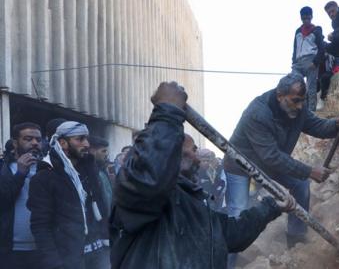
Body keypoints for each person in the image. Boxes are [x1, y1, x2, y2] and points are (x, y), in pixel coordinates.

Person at [110, 81, 296, 269]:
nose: (199, 159)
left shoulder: (192, 201)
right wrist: (167, 113)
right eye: (193, 150)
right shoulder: (140, 195)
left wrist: (271, 206)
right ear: (173, 154)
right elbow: (151, 176)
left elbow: (230, 234)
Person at [223, 73, 339, 249]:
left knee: (300, 185)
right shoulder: (258, 113)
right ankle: (228, 260)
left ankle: (296, 238)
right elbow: (271, 157)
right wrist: (309, 171)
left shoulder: (297, 108)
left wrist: (337, 124)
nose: (300, 106)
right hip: (240, 165)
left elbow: (317, 126)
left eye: (302, 100)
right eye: (295, 101)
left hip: (269, 161)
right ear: (280, 96)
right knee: (238, 212)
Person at [28, 121, 109, 269]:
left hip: (98, 255)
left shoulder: (90, 171)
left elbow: (101, 208)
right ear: (63, 143)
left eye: (87, 139)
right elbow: (40, 226)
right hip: (68, 260)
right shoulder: (45, 177)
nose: (86, 144)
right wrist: (54, 263)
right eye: (79, 139)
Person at [0, 123, 42, 269]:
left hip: (42, 249)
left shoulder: (48, 168)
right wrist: (20, 174)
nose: (35, 143)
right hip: (10, 250)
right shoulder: (3, 168)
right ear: (14, 143)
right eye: (28, 139)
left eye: (38, 139)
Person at [291, 6, 326, 111]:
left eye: (308, 17)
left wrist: (315, 62)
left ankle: (311, 112)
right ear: (301, 18)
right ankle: (297, 110)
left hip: (310, 60)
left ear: (311, 17)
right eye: (303, 17)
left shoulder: (316, 30)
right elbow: (295, 48)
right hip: (298, 62)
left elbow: (321, 48)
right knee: (295, 85)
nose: (306, 20)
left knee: (311, 87)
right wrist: (293, 62)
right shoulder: (298, 31)